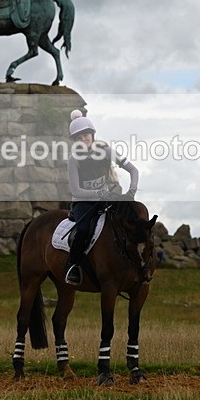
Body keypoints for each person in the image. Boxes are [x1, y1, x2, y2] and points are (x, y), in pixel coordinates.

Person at [64, 110, 139, 286]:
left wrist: (132, 191)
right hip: (83, 203)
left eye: (86, 134)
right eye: (79, 137)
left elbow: (133, 170)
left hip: (106, 198)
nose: (84, 139)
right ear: (75, 141)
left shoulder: (106, 151)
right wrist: (98, 194)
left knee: (126, 222)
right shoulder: (74, 159)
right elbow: (76, 191)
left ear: (92, 134)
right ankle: (73, 265)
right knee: (83, 230)